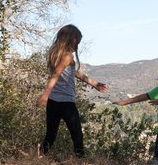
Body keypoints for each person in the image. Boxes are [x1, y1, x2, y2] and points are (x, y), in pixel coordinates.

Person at [36, 25, 108, 157]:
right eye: (78, 42)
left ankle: (39, 157)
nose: (77, 46)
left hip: (53, 101)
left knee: (51, 134)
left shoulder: (55, 53)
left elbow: (71, 72)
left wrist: (94, 83)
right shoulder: (67, 56)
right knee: (77, 133)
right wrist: (45, 95)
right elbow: (56, 75)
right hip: (65, 102)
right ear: (72, 39)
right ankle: (80, 160)